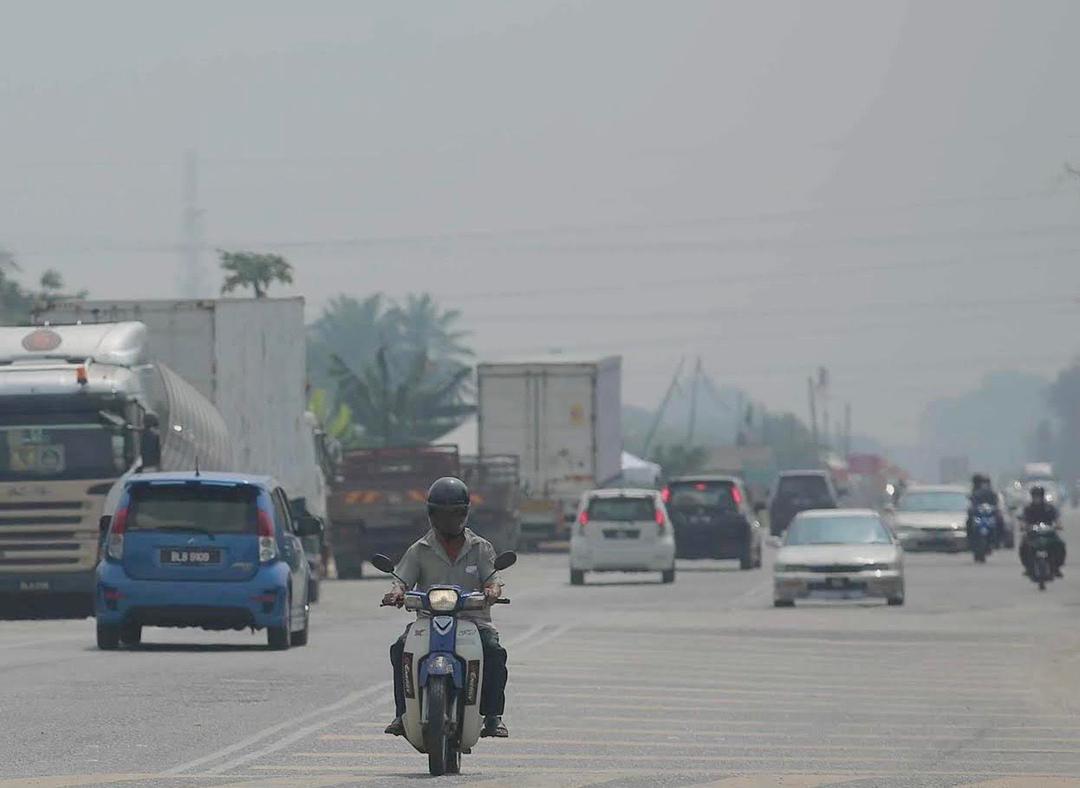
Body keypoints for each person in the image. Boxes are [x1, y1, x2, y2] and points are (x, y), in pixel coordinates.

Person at [383, 477, 510, 739]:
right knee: (399, 649)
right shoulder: (420, 549)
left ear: (464, 513)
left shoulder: (480, 547)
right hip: (429, 620)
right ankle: (402, 714)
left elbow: (493, 579)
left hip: (473, 621)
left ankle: (493, 716)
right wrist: (396, 594)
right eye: (442, 514)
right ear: (432, 515)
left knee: (494, 652)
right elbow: (401, 580)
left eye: (455, 514)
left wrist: (492, 591)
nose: (448, 520)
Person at [1020, 485, 1065, 577]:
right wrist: (1023, 526)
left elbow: (1056, 518)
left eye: (1039, 496)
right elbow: (1023, 520)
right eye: (1035, 496)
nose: (1037, 498)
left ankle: (1056, 567)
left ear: (1042, 496)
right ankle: (1028, 567)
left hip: (1048, 533)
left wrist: (1058, 525)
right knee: (1023, 546)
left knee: (1060, 544)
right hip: (1033, 533)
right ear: (1032, 497)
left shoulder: (1049, 508)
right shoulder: (1028, 509)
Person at [967, 474, 1004, 548]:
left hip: (989, 515)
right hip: (979, 515)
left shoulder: (992, 493)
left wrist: (996, 509)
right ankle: (969, 540)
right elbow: (972, 503)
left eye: (985, 483)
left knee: (1000, 520)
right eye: (982, 483)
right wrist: (972, 509)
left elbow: (996, 503)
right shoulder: (975, 493)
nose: (984, 485)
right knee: (969, 522)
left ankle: (999, 540)